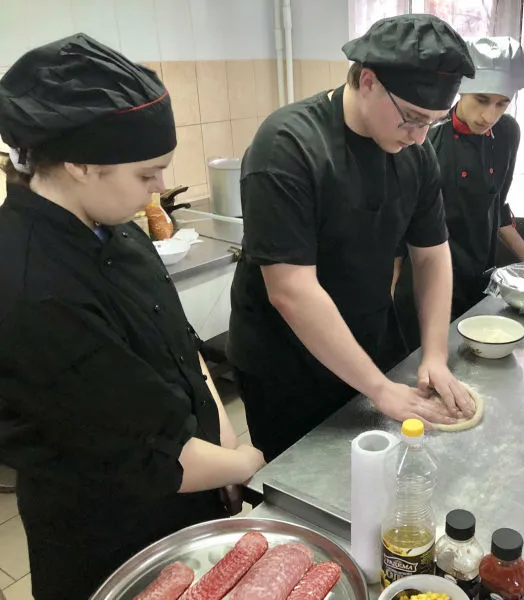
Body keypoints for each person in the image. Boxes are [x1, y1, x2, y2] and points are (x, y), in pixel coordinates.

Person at [0, 34, 265, 600]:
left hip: (190, 491)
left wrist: (223, 450)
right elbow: (150, 455)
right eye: (148, 174)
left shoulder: (114, 224)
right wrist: (242, 461)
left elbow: (185, 351)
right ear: (80, 163)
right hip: (109, 534)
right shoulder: (32, 288)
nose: (160, 188)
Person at [227, 14, 478, 460]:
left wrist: (435, 355)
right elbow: (291, 290)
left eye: (434, 123)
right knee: (304, 482)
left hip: (367, 342)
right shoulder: (288, 145)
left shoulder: (415, 154)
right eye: (412, 119)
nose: (420, 137)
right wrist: (379, 388)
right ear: (367, 81)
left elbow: (431, 256)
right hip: (288, 366)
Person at [394, 37, 524, 350]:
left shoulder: (507, 133)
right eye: (481, 100)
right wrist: (387, 295)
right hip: (425, 282)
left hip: (480, 277)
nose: (489, 116)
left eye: (501, 103)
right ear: (461, 89)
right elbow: (398, 224)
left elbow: (498, 206)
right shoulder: (426, 137)